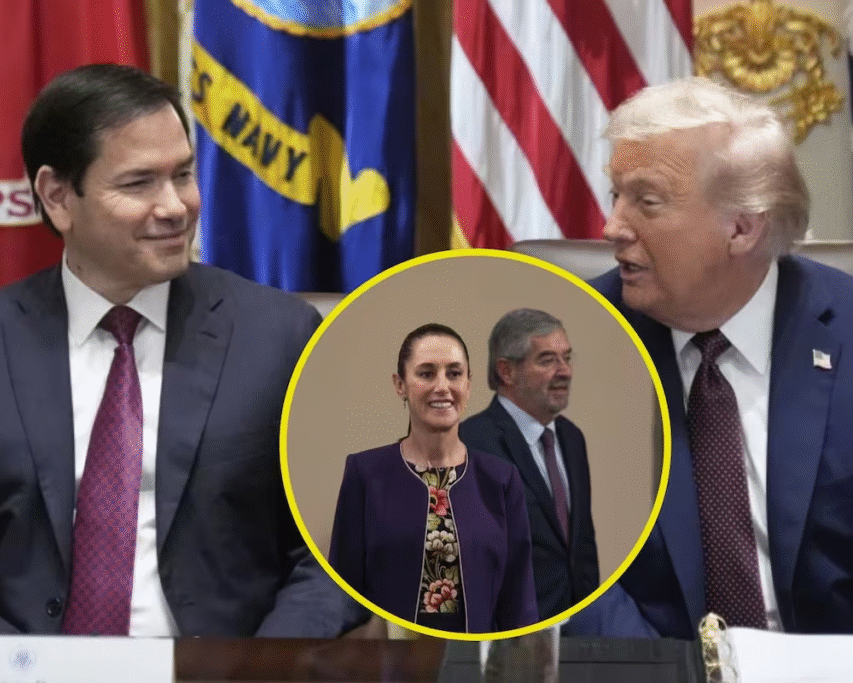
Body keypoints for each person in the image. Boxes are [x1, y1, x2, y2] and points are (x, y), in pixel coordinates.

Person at [0, 63, 363, 637]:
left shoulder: (278, 338)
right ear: (58, 196)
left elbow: (336, 559)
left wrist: (255, 670)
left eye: (183, 175)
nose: (175, 206)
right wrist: (27, 672)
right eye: (138, 183)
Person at [572, 76, 853, 637]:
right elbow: (554, 562)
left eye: (646, 202)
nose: (613, 227)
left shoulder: (843, 329)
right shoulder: (573, 340)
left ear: (742, 228)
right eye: (616, 196)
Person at [329, 323, 539, 633]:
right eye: (426, 374)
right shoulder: (365, 473)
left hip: (475, 657)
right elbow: (341, 596)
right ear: (400, 385)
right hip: (388, 656)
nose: (442, 386)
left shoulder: (501, 479)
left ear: (468, 384)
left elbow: (519, 604)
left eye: (454, 373)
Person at [459, 309, 599, 621]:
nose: (565, 371)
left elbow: (581, 547)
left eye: (567, 358)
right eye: (547, 360)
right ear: (507, 371)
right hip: (513, 635)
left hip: (577, 631)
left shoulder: (572, 438)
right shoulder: (470, 444)